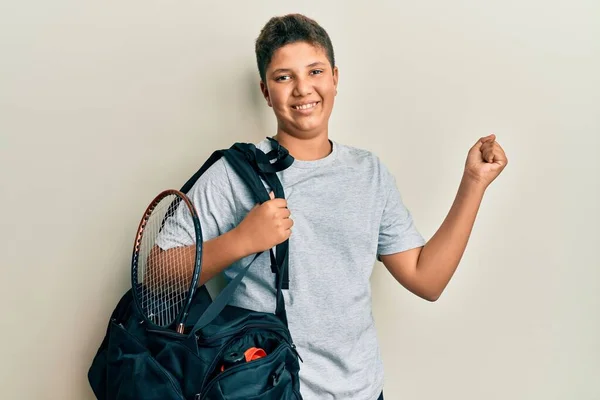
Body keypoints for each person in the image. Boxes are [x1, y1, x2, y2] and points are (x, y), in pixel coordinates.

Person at [157, 13, 508, 400]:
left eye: (315, 71)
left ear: (335, 79)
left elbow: (427, 279)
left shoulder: (368, 172)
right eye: (284, 77)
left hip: (362, 390)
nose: (302, 89)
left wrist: (474, 183)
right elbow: (155, 280)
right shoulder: (235, 174)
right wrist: (241, 240)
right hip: (268, 390)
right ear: (265, 91)